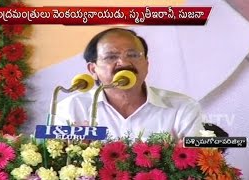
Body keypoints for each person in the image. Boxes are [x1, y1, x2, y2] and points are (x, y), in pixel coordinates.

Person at [56, 28, 205, 140]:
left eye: (133, 55)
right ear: (92, 69)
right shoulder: (70, 109)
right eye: (111, 57)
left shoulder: (183, 108)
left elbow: (197, 164)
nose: (124, 63)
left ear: (146, 64)